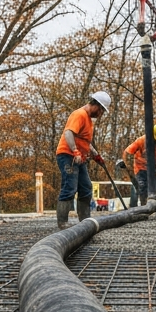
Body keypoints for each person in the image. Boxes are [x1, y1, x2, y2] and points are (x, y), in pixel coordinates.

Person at [55, 91, 111, 229]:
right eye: (101, 110)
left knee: (86, 188)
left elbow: (85, 142)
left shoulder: (88, 120)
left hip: (79, 158)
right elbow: (68, 133)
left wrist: (95, 155)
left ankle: (85, 222)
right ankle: (62, 223)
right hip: (68, 156)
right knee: (70, 188)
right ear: (95, 105)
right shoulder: (79, 114)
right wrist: (75, 151)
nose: (100, 114)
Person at [122, 124, 156, 218]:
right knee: (143, 188)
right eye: (155, 140)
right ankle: (144, 213)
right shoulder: (141, 140)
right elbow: (127, 152)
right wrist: (128, 167)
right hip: (141, 169)